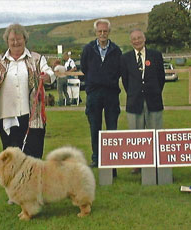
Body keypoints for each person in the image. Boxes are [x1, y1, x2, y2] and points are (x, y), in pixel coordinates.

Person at [0, 23, 55, 159]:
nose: (16, 42)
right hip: (6, 116)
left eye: (19, 39)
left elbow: (49, 72)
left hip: (31, 116)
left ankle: (32, 180)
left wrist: (47, 76)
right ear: (7, 41)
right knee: (11, 157)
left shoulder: (36, 59)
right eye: (12, 39)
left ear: (25, 39)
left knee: (32, 155)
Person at [120, 29, 165, 174]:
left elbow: (161, 78)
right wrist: (135, 93)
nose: (137, 41)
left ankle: (156, 162)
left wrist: (153, 91)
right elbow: (126, 81)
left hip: (154, 100)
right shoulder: (125, 58)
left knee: (155, 132)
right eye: (134, 39)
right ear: (130, 41)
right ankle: (137, 164)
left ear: (144, 38)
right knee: (136, 135)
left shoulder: (156, 55)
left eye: (139, 38)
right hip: (134, 101)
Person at [80, 18, 122, 171]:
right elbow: (85, 68)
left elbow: (119, 70)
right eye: (100, 31)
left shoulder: (116, 50)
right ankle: (96, 158)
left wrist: (108, 80)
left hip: (111, 94)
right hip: (94, 94)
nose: (102, 33)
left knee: (112, 127)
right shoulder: (88, 49)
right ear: (96, 32)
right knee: (95, 127)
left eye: (105, 31)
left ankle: (111, 160)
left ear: (109, 32)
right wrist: (95, 80)